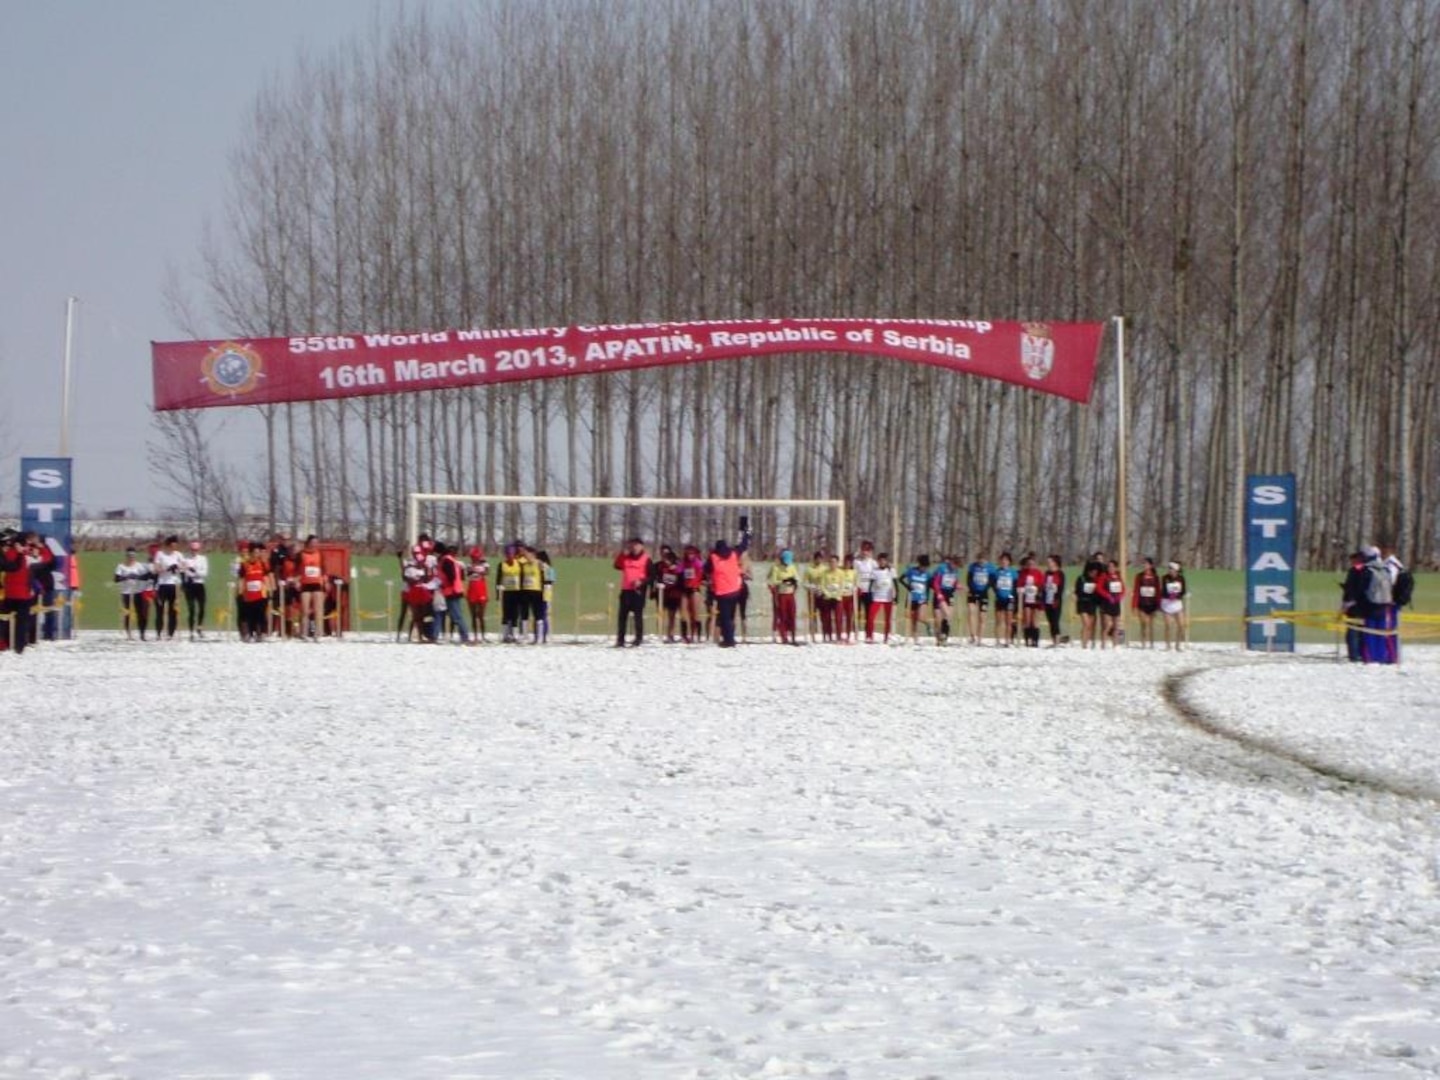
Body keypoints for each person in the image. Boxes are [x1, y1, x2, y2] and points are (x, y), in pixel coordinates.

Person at [1, 530, 52, 655]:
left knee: (3, 619)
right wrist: (41, 547)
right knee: (21, 622)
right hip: (24, 594)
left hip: (9, 593)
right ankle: (19, 647)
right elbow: (46, 558)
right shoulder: (28, 555)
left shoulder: (10, 552)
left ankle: (5, 643)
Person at [709, 528, 751, 647]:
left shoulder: (713, 557)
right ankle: (730, 637)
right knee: (730, 616)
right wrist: (747, 535)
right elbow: (743, 545)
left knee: (725, 617)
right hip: (735, 590)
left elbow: (706, 569)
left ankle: (729, 640)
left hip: (722, 591)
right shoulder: (733, 553)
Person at [1360, 545, 1396, 665]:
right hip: (1384, 604)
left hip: (1371, 604)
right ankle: (1381, 656)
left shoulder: (1367, 570)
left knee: (1369, 631)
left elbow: (1362, 589)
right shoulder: (1386, 569)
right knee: (1381, 632)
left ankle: (1370, 656)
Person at [614, 537, 651, 647]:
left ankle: (638, 639)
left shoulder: (646, 559)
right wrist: (622, 554)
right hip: (626, 590)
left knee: (638, 616)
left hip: (638, 591)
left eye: (636, 545)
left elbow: (652, 576)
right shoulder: (625, 557)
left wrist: (642, 581)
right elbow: (616, 566)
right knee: (622, 616)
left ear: (641, 546)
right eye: (631, 545)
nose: (633, 547)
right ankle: (620, 640)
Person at [237, 542, 273, 642]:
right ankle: (249, 633)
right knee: (250, 614)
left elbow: (265, 578)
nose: (257, 554)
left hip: (261, 593)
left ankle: (261, 633)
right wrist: (240, 593)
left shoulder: (262, 563)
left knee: (261, 614)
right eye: (255, 552)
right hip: (249, 594)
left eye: (258, 552)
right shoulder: (244, 564)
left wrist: (269, 591)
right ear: (251, 553)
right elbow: (241, 579)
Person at [436, 541, 471, 644]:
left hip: (451, 591)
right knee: (457, 614)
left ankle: (465, 636)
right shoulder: (452, 560)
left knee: (456, 615)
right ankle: (464, 635)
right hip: (456, 590)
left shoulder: (446, 561)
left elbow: (451, 576)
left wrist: (444, 584)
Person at [115, 546, 152, 641]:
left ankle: (142, 633)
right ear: (126, 556)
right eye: (129, 556)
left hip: (138, 591)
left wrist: (138, 577)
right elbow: (116, 578)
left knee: (142, 613)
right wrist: (126, 577)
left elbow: (147, 576)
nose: (131, 558)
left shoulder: (139, 566)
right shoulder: (121, 566)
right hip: (126, 592)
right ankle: (129, 633)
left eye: (133, 556)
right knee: (128, 613)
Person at [151, 535, 184, 640]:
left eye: (176, 545)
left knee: (173, 610)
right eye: (173, 545)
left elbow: (185, 566)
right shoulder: (160, 554)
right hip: (162, 584)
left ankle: (170, 633)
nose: (175, 547)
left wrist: (178, 567)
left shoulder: (178, 555)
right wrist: (167, 568)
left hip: (174, 585)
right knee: (160, 610)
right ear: (169, 545)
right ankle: (158, 633)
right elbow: (156, 569)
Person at [296, 534, 328, 640]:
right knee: (305, 610)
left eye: (316, 543)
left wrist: (326, 581)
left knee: (318, 609)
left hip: (317, 584)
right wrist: (296, 580)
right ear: (308, 543)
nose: (315, 544)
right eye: (313, 542)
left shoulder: (320, 554)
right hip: (305, 584)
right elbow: (297, 570)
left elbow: (324, 569)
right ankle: (304, 633)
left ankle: (318, 633)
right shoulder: (301, 554)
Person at [767, 548, 801, 645]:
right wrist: (782, 581)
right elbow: (773, 581)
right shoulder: (776, 568)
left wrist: (794, 581)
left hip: (790, 594)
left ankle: (793, 636)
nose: (787, 564)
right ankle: (784, 636)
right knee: (783, 615)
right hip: (781, 594)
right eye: (785, 562)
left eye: (788, 562)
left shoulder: (792, 567)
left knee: (792, 615)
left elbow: (798, 578)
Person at [1337, 552, 1367, 662]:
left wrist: (1346, 601)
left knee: (1353, 631)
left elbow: (1352, 588)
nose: (1352, 563)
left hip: (1354, 605)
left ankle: (1354, 655)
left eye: (1353, 560)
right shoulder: (1368, 570)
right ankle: (1360, 653)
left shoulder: (1355, 571)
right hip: (1364, 605)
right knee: (1361, 630)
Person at [866, 552, 898, 643]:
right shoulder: (874, 571)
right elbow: (871, 585)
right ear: (878, 561)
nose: (882, 562)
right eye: (880, 561)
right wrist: (870, 595)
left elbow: (896, 584)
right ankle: (870, 636)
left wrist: (896, 597)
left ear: (887, 561)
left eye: (884, 560)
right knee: (871, 617)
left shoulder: (891, 571)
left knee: (887, 619)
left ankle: (886, 637)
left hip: (887, 598)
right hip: (877, 598)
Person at [899, 554, 932, 642]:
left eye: (926, 567)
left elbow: (929, 586)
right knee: (912, 618)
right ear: (920, 565)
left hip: (922, 599)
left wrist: (927, 599)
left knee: (921, 617)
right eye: (923, 567)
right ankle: (915, 638)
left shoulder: (927, 574)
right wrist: (907, 586)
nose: (924, 569)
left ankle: (927, 624)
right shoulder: (911, 571)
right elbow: (900, 579)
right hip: (912, 598)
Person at [930, 553, 960, 645]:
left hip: (949, 594)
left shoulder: (956, 571)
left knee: (948, 615)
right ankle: (938, 638)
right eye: (953, 564)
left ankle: (944, 635)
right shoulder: (942, 568)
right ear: (950, 562)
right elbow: (935, 582)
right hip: (940, 593)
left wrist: (958, 586)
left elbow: (954, 583)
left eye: (956, 565)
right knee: (938, 619)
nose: (954, 567)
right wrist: (938, 593)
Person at [678, 544, 706, 643]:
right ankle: (684, 636)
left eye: (692, 554)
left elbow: (704, 573)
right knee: (683, 613)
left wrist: (703, 580)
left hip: (695, 590)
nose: (690, 555)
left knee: (695, 614)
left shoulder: (698, 563)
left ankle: (696, 635)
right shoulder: (683, 563)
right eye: (688, 553)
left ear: (695, 554)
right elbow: (678, 573)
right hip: (685, 590)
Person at [181, 539, 209, 640]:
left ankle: (199, 627)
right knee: (191, 609)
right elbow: (184, 572)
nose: (194, 551)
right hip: (190, 585)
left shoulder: (203, 559)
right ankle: (191, 630)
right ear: (190, 549)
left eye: (196, 549)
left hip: (199, 584)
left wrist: (195, 571)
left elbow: (205, 573)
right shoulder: (186, 559)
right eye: (193, 549)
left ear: (199, 549)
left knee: (201, 607)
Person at [1132, 557, 1162, 648]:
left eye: (1147, 564)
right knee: (1143, 623)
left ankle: (1151, 643)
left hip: (1152, 603)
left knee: (1151, 625)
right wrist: (1134, 605)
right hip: (1142, 603)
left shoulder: (1155, 577)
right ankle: (1143, 643)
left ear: (1151, 565)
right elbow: (1136, 590)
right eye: (1144, 564)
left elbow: (1158, 591)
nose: (1145, 565)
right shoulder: (1139, 576)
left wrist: (1158, 605)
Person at [1016, 552, 1045, 647]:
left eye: (1032, 564)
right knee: (1027, 620)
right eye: (1029, 564)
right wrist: (1021, 589)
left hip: (1036, 600)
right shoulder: (1023, 573)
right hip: (1026, 599)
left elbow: (1042, 585)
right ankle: (1027, 639)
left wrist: (1038, 591)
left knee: (1034, 621)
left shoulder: (1038, 573)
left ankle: (1035, 640)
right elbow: (1019, 584)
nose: (1030, 566)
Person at [656, 546, 684, 642]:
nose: (666, 562)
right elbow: (660, 579)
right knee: (669, 616)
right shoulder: (662, 568)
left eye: (668, 560)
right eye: (665, 560)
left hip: (676, 594)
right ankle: (668, 635)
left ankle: (678, 634)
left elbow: (681, 579)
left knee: (678, 615)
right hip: (666, 594)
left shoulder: (678, 569)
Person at [496, 544, 523, 643]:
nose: (509, 556)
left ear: (514, 555)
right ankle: (505, 634)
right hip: (506, 592)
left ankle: (514, 634)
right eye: (508, 554)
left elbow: (522, 578)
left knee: (515, 614)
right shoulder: (502, 565)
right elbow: (498, 580)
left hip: (516, 592)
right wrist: (498, 593)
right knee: (506, 614)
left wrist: (522, 593)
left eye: (511, 554)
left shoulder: (519, 564)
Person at [966, 551, 994, 644]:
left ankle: (980, 637)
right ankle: (972, 635)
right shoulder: (973, 567)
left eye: (983, 560)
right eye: (980, 560)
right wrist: (971, 589)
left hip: (984, 593)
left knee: (982, 616)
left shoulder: (990, 568)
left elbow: (991, 581)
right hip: (973, 592)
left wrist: (987, 588)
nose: (981, 562)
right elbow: (969, 579)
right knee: (971, 612)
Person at [1075, 556, 1104, 649]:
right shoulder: (1081, 578)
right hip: (1083, 603)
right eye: (1092, 572)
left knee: (1090, 626)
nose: (1094, 573)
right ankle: (1083, 645)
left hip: (1092, 604)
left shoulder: (1097, 579)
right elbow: (1077, 591)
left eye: (1096, 572)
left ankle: (1086, 643)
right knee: (1086, 624)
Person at [1160, 560, 1188, 650]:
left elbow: (1183, 591)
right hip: (1167, 603)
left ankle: (1178, 645)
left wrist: (1177, 595)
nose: (1169, 570)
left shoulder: (1181, 578)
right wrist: (1169, 596)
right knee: (1168, 625)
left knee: (1181, 625)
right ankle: (1168, 645)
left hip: (1177, 604)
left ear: (1176, 570)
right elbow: (1163, 591)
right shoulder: (1165, 578)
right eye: (1169, 568)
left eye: (1171, 569)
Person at [1098, 558, 1126, 647]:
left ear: (1116, 568)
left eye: (1112, 567)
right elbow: (1099, 588)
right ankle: (1103, 644)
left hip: (1116, 603)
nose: (1110, 568)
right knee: (1107, 625)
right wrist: (1107, 595)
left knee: (1116, 626)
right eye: (1109, 567)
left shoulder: (1118, 577)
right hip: (1107, 603)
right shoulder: (1104, 576)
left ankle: (1115, 644)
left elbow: (1123, 589)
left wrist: (1120, 596)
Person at [992, 552, 1018, 646]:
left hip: (1009, 598)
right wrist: (996, 591)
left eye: (1006, 560)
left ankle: (1007, 640)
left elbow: (1015, 585)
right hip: (999, 598)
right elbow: (993, 583)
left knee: (1008, 620)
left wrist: (1013, 596)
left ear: (1009, 562)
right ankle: (998, 640)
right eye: (1002, 560)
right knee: (998, 620)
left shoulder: (1013, 572)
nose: (1004, 562)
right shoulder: (997, 572)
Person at [465, 546, 490, 642]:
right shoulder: (469, 565)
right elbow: (468, 573)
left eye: (476, 557)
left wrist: (480, 567)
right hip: (472, 589)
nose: (474, 559)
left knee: (481, 615)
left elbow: (487, 572)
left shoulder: (484, 564)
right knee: (473, 615)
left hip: (481, 589)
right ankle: (475, 635)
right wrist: (474, 569)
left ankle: (483, 635)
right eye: (473, 557)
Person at [853, 540, 878, 633]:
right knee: (856, 612)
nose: (865, 552)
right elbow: (854, 575)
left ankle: (868, 632)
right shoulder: (856, 562)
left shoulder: (873, 563)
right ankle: (855, 630)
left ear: (871, 551)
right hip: (859, 589)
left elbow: (876, 577)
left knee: (869, 613)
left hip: (870, 590)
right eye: (863, 549)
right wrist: (856, 586)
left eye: (867, 550)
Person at [1042, 554, 1066, 646]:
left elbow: (1061, 588)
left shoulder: (1060, 573)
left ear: (1055, 563)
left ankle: (1057, 640)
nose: (1048, 564)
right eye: (1048, 562)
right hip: (1047, 599)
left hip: (1056, 600)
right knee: (1050, 621)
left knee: (1055, 621)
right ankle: (1053, 640)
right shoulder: (1047, 573)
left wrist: (1057, 599)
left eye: (1050, 562)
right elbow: (1044, 586)